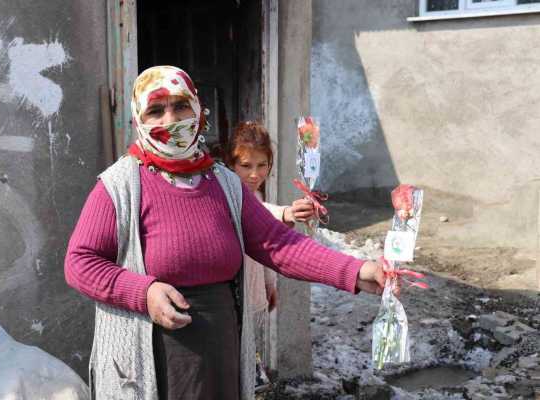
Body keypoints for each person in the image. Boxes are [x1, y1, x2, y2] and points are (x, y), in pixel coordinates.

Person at [64, 65, 389, 400]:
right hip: (154, 357)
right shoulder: (119, 186)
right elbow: (80, 262)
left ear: (197, 108)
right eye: (156, 110)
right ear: (138, 120)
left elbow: (278, 243)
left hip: (221, 349)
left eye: (180, 106)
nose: (170, 120)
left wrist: (356, 271)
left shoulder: (224, 183)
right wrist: (143, 292)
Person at [225, 120, 316, 389]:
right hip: (228, 291)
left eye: (262, 165)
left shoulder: (256, 192)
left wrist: (268, 284)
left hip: (251, 285)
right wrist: (286, 213)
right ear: (230, 164)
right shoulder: (224, 191)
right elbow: (256, 216)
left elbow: (263, 244)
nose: (254, 174)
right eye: (245, 166)